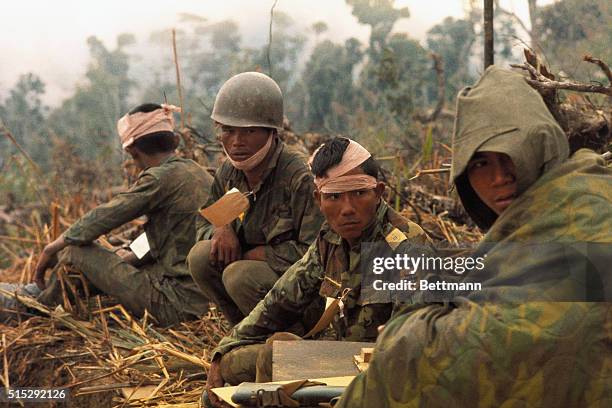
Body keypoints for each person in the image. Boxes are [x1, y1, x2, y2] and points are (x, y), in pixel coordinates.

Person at [334, 66, 611, 407]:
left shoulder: (403, 239)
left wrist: (417, 318)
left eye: (512, 155)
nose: (498, 178)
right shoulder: (536, 223)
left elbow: (428, 354)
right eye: (480, 164)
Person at [204, 137, 432, 407]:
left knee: (272, 358)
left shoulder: (405, 246)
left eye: (359, 193)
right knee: (234, 362)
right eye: (334, 196)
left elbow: (408, 351)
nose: (347, 209)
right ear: (319, 200)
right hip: (332, 357)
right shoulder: (329, 239)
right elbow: (277, 302)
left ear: (379, 192)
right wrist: (221, 352)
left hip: (378, 371)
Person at [28, 103, 214, 327]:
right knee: (119, 261)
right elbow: (173, 234)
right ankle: (48, 293)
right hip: (202, 299)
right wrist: (130, 257)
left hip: (176, 305)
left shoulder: (158, 179)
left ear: (132, 151)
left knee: (75, 252)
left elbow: (105, 216)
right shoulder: (195, 172)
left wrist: (53, 247)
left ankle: (36, 310)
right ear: (172, 140)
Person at [187, 72, 324, 325]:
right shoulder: (230, 172)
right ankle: (242, 331)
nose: (237, 142)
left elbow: (317, 255)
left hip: (302, 294)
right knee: (200, 256)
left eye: (249, 131)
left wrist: (253, 255)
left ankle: (290, 337)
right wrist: (221, 228)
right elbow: (202, 225)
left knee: (239, 274)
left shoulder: (299, 176)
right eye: (228, 131)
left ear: (271, 132)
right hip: (253, 283)